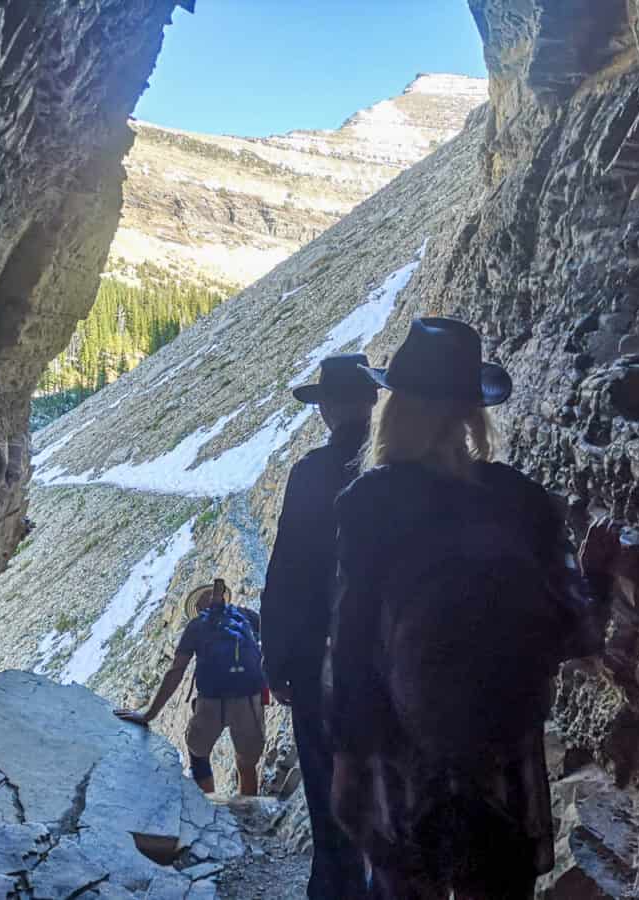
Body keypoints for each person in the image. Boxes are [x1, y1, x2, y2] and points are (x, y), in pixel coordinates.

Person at [326, 318, 609, 900]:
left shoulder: (369, 503)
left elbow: (351, 646)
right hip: (502, 764)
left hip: (402, 763)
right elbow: (575, 632)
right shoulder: (519, 499)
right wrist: (600, 572)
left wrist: (347, 757)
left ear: (396, 408)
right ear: (472, 412)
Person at [261, 354, 378, 900]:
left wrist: (276, 658)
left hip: (317, 660)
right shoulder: (397, 466)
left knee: (327, 779)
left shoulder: (311, 473)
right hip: (392, 660)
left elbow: (289, 569)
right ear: (372, 400)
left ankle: (335, 885)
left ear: (329, 409)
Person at [115, 578, 266, 795]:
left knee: (198, 753)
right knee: (246, 762)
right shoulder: (246, 616)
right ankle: (247, 813)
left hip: (210, 702)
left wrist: (149, 714)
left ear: (198, 608)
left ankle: (207, 806)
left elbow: (176, 671)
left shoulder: (196, 626)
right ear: (225, 599)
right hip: (249, 699)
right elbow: (272, 639)